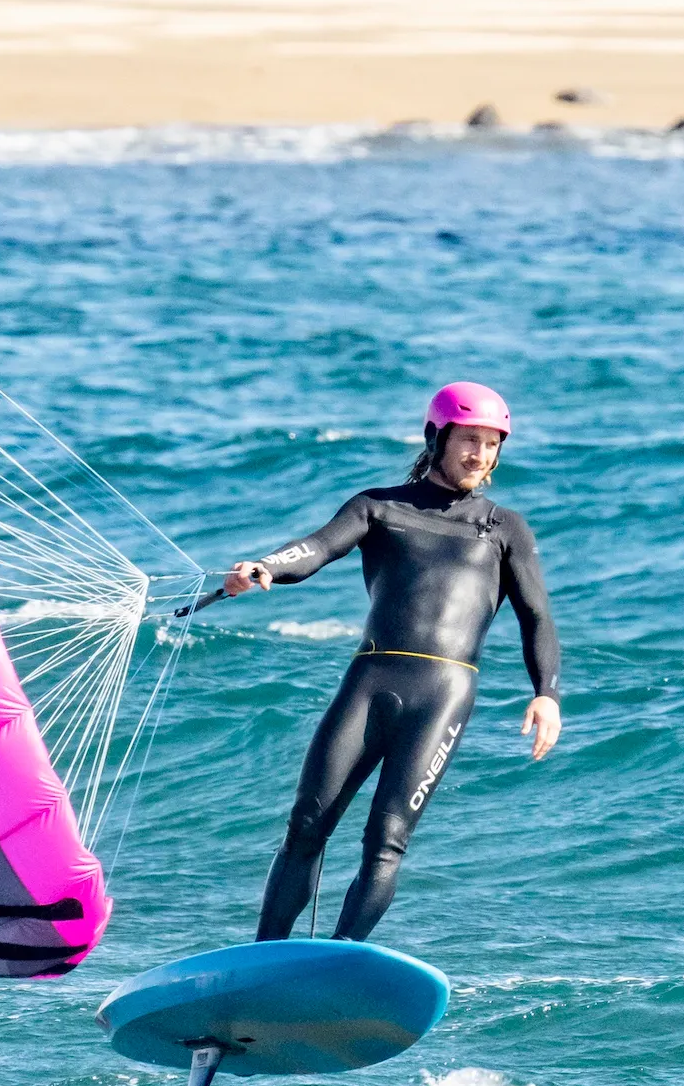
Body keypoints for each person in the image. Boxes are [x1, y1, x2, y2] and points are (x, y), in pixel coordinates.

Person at [225, 382, 561, 943]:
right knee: (306, 826)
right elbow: (318, 547)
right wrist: (267, 566)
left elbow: (537, 616)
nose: (479, 455)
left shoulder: (505, 529)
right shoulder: (378, 506)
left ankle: (341, 959)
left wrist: (546, 693)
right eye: (469, 440)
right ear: (436, 438)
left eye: (491, 444)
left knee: (386, 841)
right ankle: (264, 956)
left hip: (444, 694)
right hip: (371, 680)